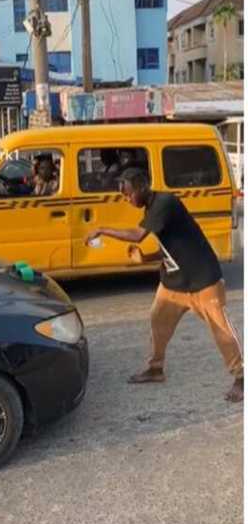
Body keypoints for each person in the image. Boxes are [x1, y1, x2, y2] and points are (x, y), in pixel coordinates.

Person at [87, 168, 242, 402]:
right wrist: (146, 258)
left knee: (222, 330)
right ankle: (155, 369)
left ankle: (242, 377)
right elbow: (169, 247)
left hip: (202, 279)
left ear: (141, 187)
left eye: (128, 195)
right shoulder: (153, 208)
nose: (127, 200)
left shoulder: (165, 202)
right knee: (158, 321)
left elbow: (138, 235)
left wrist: (101, 229)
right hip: (174, 282)